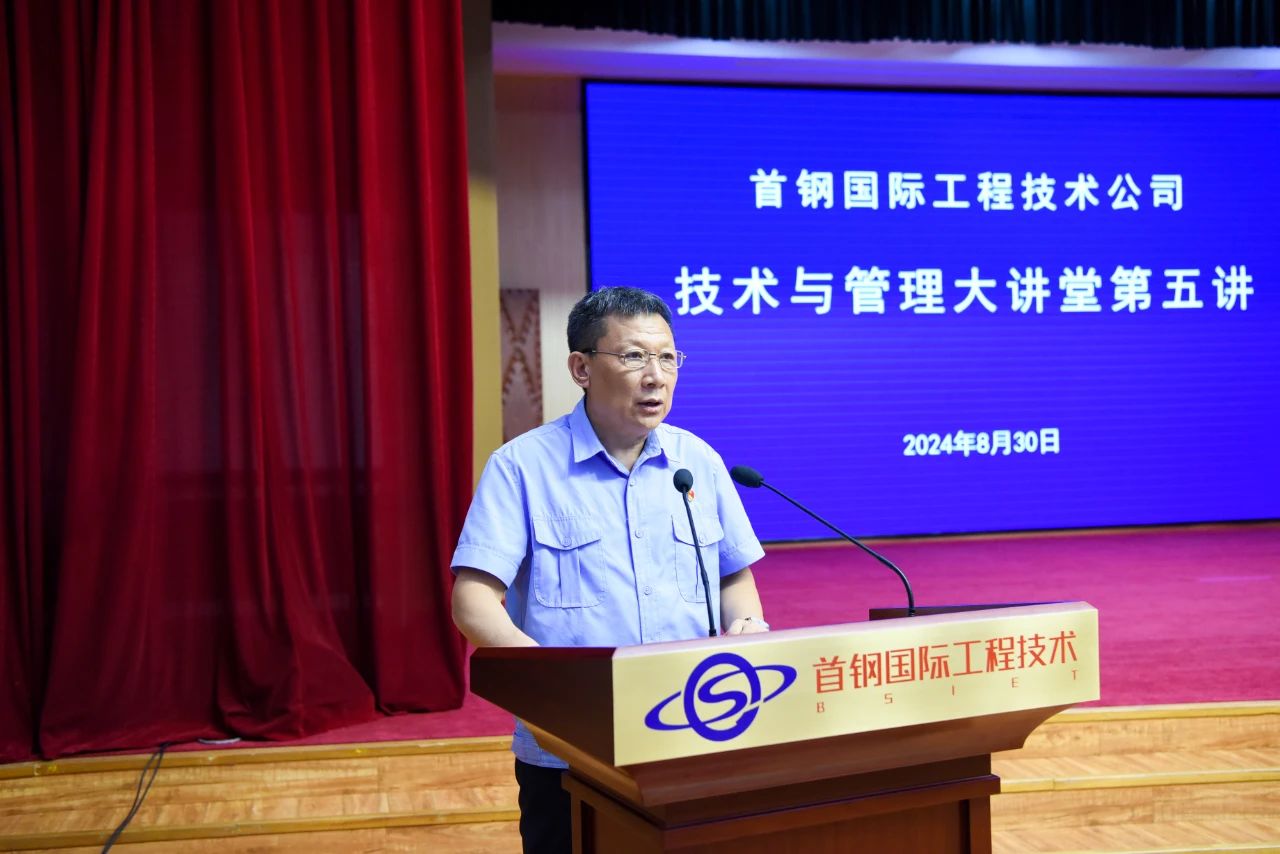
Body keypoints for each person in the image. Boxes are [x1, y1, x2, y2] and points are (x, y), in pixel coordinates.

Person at [450, 286, 768, 854]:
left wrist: (746, 626)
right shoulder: (522, 467)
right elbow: (473, 599)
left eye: (667, 357)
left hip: (692, 729)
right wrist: (554, 683)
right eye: (634, 356)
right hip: (571, 744)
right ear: (581, 368)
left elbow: (732, 576)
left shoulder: (698, 461)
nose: (656, 377)